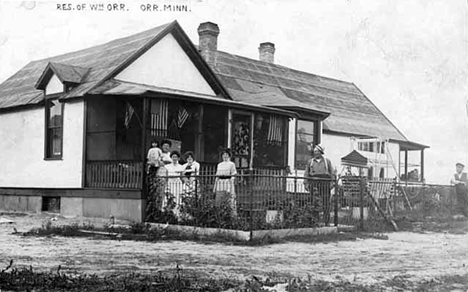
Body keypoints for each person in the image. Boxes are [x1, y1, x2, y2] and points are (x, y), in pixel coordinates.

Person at [304, 144, 335, 225]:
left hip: (325, 183)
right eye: (314, 152)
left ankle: (326, 222)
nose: (315, 153)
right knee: (313, 202)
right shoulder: (310, 162)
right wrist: (306, 184)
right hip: (313, 183)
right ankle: (314, 221)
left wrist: (332, 183)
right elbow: (306, 173)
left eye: (317, 151)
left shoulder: (327, 161)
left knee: (326, 203)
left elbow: (332, 173)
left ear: (321, 152)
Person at [213, 149, 237, 217]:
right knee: (219, 200)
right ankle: (219, 216)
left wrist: (230, 183)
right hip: (220, 183)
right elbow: (217, 177)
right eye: (223, 155)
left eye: (226, 155)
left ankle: (230, 216)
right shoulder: (219, 165)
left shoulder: (232, 164)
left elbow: (233, 174)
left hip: (228, 182)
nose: (225, 156)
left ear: (229, 155)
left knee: (229, 200)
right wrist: (214, 187)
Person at [163, 151, 185, 217]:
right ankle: (167, 214)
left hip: (178, 183)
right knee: (169, 197)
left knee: (178, 198)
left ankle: (177, 214)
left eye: (176, 157)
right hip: (170, 183)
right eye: (173, 157)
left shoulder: (181, 167)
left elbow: (182, 177)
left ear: (178, 158)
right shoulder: (167, 166)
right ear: (171, 158)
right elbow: (165, 177)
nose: (174, 158)